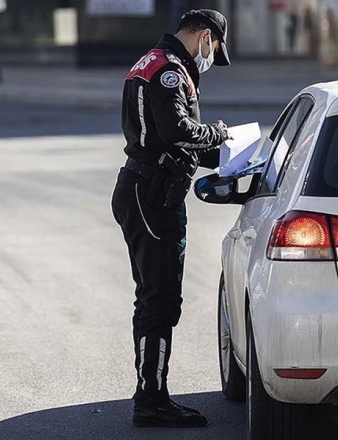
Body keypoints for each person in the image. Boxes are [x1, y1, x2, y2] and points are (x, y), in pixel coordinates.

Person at [111, 9, 233, 428]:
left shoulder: (155, 61)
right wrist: (218, 133)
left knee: (152, 297)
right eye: (213, 50)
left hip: (146, 190)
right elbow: (177, 130)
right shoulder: (168, 70)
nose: (211, 60)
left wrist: (229, 157)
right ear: (204, 37)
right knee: (160, 300)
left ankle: (151, 393)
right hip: (152, 196)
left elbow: (176, 141)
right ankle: (152, 400)